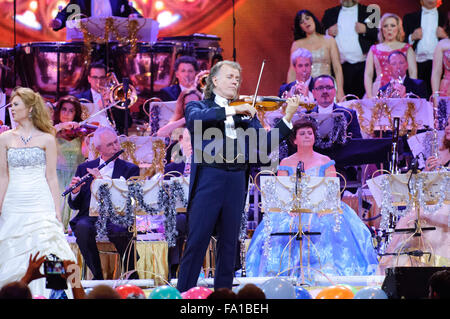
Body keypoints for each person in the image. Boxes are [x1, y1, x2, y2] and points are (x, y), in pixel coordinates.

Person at [176, 60, 300, 292]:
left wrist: (287, 119)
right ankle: (185, 295)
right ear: (215, 81)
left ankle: (223, 296)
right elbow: (194, 121)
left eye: (237, 78)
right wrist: (234, 109)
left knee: (229, 244)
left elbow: (264, 145)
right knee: (197, 241)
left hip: (236, 180)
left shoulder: (247, 112)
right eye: (230, 76)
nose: (236, 81)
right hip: (209, 179)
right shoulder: (198, 106)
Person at [245, 118, 378, 277]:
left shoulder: (325, 160)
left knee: (329, 224)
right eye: (302, 133)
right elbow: (282, 192)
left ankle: (324, 271)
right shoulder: (286, 162)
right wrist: (289, 209)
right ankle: (286, 272)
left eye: (310, 133)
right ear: (294, 139)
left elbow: (332, 191)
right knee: (283, 226)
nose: (307, 135)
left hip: (321, 208)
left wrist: (324, 207)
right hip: (293, 209)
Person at [0, 87, 76, 296]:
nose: (11, 109)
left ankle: (54, 293)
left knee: (49, 245)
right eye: (11, 105)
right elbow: (3, 176)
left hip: (40, 199)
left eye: (15, 104)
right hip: (14, 201)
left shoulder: (47, 139)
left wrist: (57, 211)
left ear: (30, 108)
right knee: (12, 247)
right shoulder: (5, 139)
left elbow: (51, 178)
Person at [68, 126, 140, 280]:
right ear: (99, 148)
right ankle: (98, 276)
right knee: (82, 227)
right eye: (110, 145)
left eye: (116, 142)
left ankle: (130, 272)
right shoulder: (84, 168)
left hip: (116, 215)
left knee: (119, 229)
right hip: (90, 216)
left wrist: (101, 181)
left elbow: (131, 201)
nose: (116, 147)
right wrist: (75, 191)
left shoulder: (130, 169)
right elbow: (75, 205)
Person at [377, 120, 449, 273]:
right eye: (448, 124)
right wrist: (428, 172)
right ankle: (389, 261)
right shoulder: (441, 152)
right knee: (411, 215)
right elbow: (425, 187)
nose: (448, 128)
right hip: (435, 201)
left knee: (416, 215)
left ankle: (388, 260)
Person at [321, 0, 379, 99]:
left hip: (363, 67)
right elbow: (319, 34)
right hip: (340, 67)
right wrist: (328, 31)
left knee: (363, 102)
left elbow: (378, 34)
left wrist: (365, 29)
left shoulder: (370, 11)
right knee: (342, 101)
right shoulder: (329, 13)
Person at [287, 10, 345, 102]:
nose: (306, 22)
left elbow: (337, 68)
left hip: (328, 86)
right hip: (306, 89)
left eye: (307, 18)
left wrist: (340, 91)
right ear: (300, 27)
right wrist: (290, 92)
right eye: (302, 22)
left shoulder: (329, 40)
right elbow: (292, 71)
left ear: (313, 19)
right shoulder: (297, 45)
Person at [53, 95, 88, 231]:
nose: (67, 114)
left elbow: (85, 154)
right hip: (57, 178)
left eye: (71, 111)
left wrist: (86, 135)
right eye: (64, 109)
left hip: (75, 178)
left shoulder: (80, 133)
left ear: (76, 114)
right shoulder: (52, 130)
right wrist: (61, 126)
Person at [364, 13, 417, 98]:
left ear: (398, 28)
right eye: (385, 26)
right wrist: (370, 96)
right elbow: (368, 74)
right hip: (378, 91)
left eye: (392, 25)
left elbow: (413, 73)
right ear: (381, 29)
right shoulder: (374, 49)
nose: (389, 29)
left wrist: (411, 94)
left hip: (401, 90)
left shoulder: (407, 48)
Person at [403, 0, 449, 98]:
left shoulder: (445, 17)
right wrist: (412, 37)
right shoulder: (409, 17)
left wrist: (445, 36)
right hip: (417, 64)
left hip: (440, 65)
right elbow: (401, 42)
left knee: (438, 98)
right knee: (419, 98)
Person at [76, 61, 132, 135]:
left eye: (102, 77)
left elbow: (128, 123)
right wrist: (98, 107)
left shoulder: (117, 98)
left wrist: (112, 104)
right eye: (95, 77)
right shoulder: (80, 99)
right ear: (89, 79)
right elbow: (79, 124)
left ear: (106, 78)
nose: (99, 81)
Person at [308, 74, 362, 139]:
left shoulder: (348, 115)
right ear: (313, 93)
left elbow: (357, 143)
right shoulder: (307, 116)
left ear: (334, 91)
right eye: (320, 88)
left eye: (328, 87)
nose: (325, 91)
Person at [50, 0, 142, 31]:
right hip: (89, 44)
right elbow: (67, 11)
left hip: (113, 43)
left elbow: (130, 11)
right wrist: (58, 21)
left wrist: (135, 16)